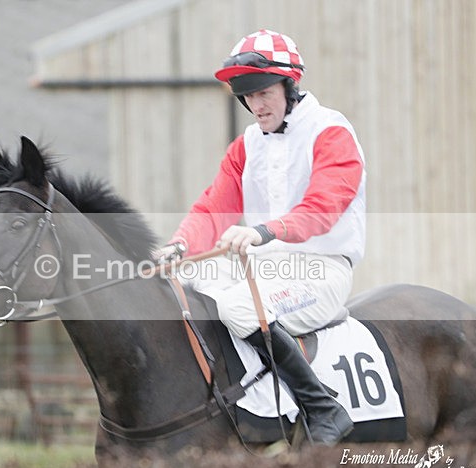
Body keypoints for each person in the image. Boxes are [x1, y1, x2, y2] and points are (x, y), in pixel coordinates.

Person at [155, 29, 366, 445]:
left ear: (290, 85)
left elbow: (324, 207)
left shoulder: (331, 132)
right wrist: (179, 246)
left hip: (321, 270)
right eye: (247, 96)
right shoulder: (246, 145)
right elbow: (214, 208)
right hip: (264, 267)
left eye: (264, 92)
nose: (255, 104)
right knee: (185, 287)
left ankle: (322, 406)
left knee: (237, 307)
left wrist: (263, 231)